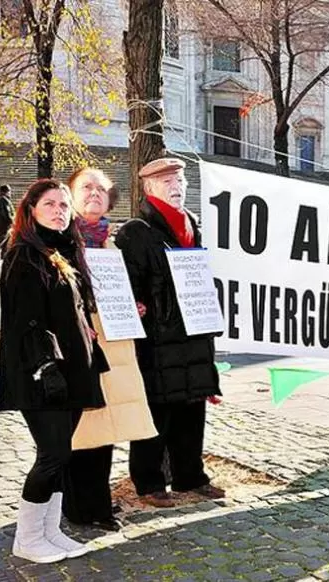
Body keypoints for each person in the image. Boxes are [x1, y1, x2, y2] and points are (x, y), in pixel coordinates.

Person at [0, 179, 108, 563]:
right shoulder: (24, 256)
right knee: (52, 454)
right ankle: (27, 538)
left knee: (62, 455)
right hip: (43, 374)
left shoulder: (62, 249)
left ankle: (49, 530)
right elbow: (24, 323)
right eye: (50, 204)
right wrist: (46, 366)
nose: (59, 210)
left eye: (64, 205)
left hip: (73, 370)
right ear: (30, 210)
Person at [115, 158, 225, 506]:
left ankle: (190, 476)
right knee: (156, 414)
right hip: (159, 338)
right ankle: (149, 483)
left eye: (179, 179)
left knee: (192, 411)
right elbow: (129, 283)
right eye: (165, 181)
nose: (176, 186)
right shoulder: (136, 231)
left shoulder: (193, 224)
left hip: (194, 334)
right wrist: (138, 304)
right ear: (149, 189)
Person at [63, 168, 158, 530]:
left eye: (101, 189)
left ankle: (96, 501)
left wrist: (132, 306)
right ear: (70, 194)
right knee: (81, 429)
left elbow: (113, 290)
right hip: (81, 348)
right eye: (86, 187)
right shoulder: (60, 239)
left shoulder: (108, 242)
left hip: (113, 345)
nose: (95, 194)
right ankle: (81, 507)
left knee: (105, 428)